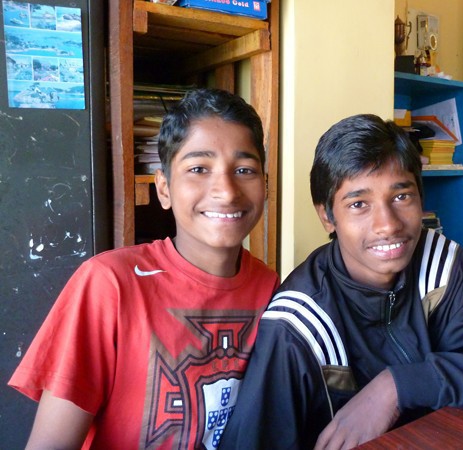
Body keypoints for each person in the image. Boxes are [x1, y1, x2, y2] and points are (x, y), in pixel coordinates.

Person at [220, 114, 463, 450]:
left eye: (402, 197)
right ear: (327, 216)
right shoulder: (296, 324)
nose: (388, 224)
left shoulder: (439, 267)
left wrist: (397, 386)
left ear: (421, 198)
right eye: (359, 204)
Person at [8, 88, 279, 450]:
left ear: (265, 184)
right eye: (198, 169)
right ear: (163, 188)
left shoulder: (272, 289)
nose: (227, 191)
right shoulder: (109, 284)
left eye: (244, 170)